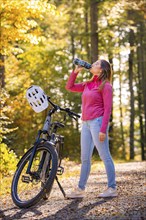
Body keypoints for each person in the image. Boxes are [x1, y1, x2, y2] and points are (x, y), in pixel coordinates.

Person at [65, 59, 117, 198]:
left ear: (101, 69)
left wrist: (103, 129)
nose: (92, 65)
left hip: (98, 123)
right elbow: (69, 87)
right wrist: (75, 72)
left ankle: (112, 188)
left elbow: (107, 110)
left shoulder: (106, 86)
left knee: (104, 155)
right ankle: (80, 190)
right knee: (85, 158)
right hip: (86, 123)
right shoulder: (88, 84)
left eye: (95, 64)